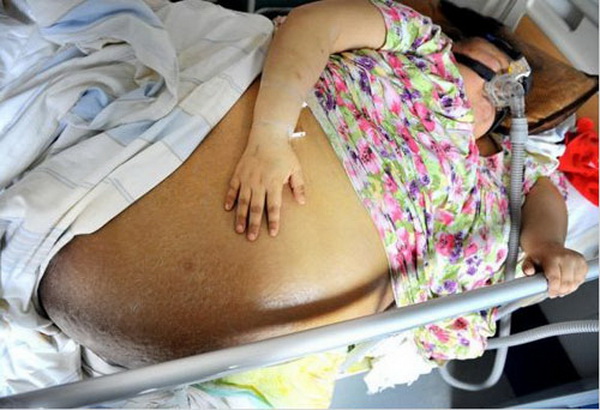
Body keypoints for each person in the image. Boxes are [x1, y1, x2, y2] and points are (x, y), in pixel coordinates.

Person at [40, 0, 588, 372]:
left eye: (507, 97)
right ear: (457, 44)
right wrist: (271, 137)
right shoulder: (423, 49)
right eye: (490, 68)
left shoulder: (500, 175)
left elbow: (541, 196)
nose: (498, 91)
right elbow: (313, 24)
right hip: (128, 251)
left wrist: (548, 245)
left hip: (207, 351)